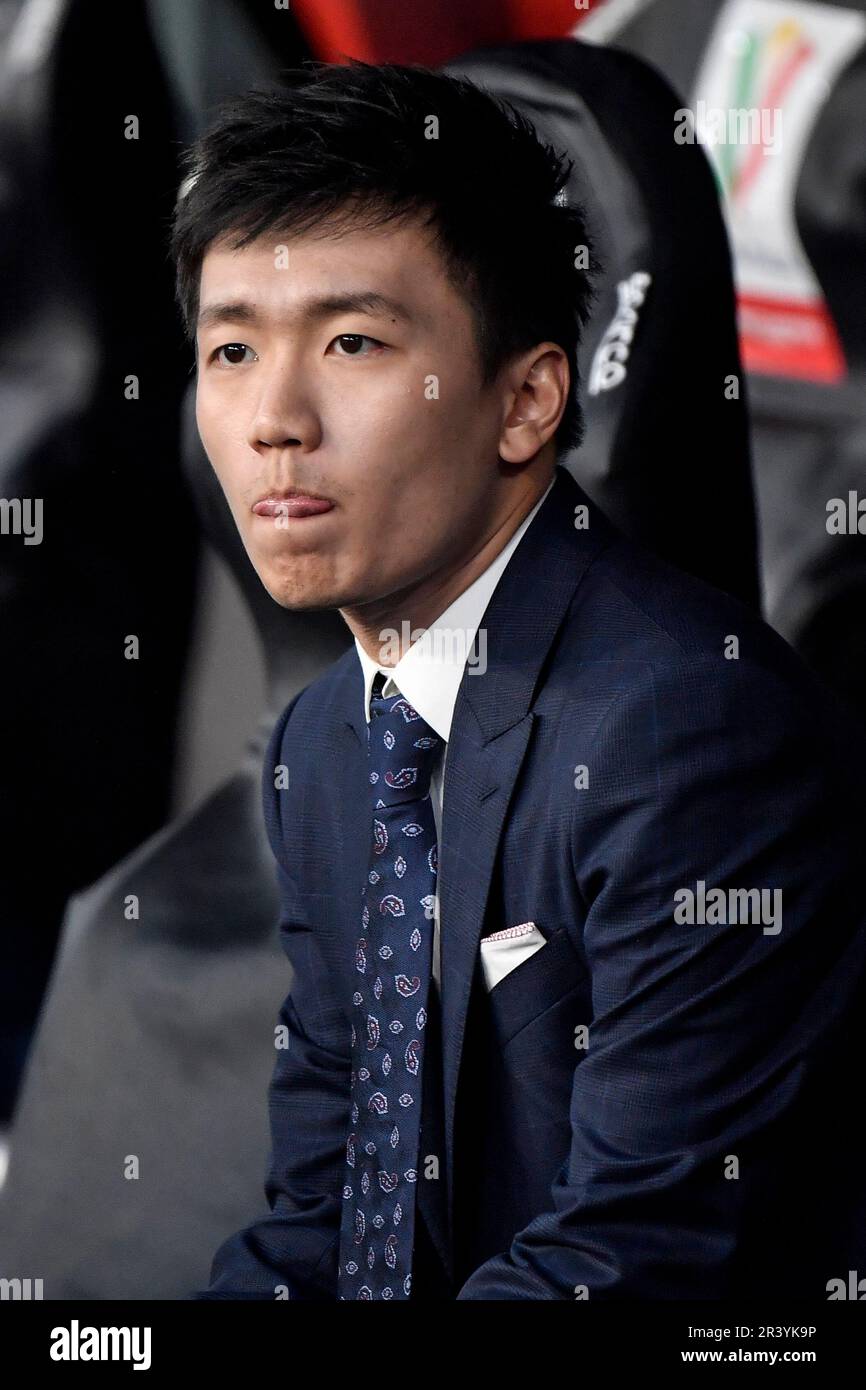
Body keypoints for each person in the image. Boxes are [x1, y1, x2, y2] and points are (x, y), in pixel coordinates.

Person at [173, 60, 866, 1300]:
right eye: (230, 348)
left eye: (350, 341)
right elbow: (323, 1212)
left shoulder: (688, 729)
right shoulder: (329, 739)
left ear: (526, 398)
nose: (273, 416)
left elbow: (636, 1257)